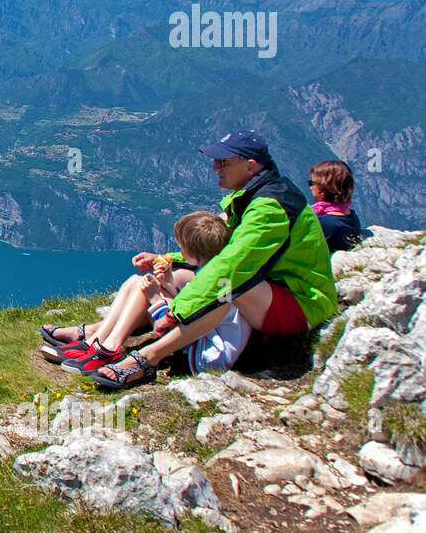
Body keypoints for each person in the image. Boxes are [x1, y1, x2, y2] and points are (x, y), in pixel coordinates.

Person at [45, 131, 338, 389]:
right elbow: (223, 252)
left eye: (224, 162)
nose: (215, 168)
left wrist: (177, 311)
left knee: (227, 286)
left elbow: (231, 266)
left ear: (250, 166)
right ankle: (102, 340)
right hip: (270, 288)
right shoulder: (256, 194)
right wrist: (167, 259)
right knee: (153, 278)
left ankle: (147, 358)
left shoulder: (270, 208)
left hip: (299, 304)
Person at [41, 211, 233, 375]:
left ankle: (109, 348)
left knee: (144, 287)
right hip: (196, 339)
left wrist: (155, 297)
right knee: (135, 281)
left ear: (193, 253)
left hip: (196, 351)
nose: (179, 253)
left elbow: (168, 324)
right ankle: (95, 341)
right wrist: (167, 283)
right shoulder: (210, 274)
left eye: (182, 248)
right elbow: (187, 305)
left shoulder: (211, 283)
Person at [308, 159, 361, 253]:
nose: (311, 187)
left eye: (312, 183)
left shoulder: (323, 224)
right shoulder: (352, 217)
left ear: (323, 188)